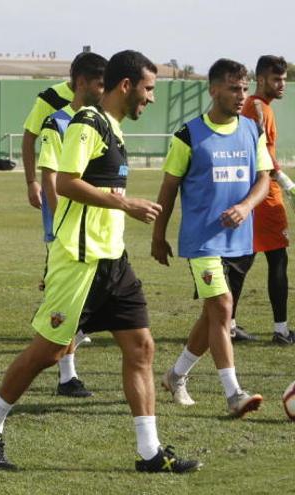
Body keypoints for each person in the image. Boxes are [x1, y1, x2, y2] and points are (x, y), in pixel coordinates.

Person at [0, 50, 200, 473]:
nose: (151, 98)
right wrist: (126, 205)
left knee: (141, 346)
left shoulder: (114, 128)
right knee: (48, 353)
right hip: (79, 261)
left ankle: (149, 452)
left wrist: (120, 212)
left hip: (112, 260)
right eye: (148, 89)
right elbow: (66, 182)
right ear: (126, 86)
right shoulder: (87, 122)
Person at [153, 58, 269, 416]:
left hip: (240, 240)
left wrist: (247, 207)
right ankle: (234, 393)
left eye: (244, 89)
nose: (241, 95)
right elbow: (168, 189)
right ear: (213, 88)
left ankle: (176, 376)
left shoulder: (252, 130)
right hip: (202, 240)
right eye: (234, 88)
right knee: (221, 307)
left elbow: (263, 179)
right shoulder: (187, 135)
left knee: (213, 315)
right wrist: (158, 236)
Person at [35, 52, 107, 397]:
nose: (105, 89)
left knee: (80, 305)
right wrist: (62, 225)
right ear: (81, 83)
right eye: (100, 82)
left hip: (98, 233)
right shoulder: (57, 123)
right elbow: (50, 177)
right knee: (66, 305)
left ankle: (66, 374)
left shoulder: (101, 121)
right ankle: (65, 376)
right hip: (70, 233)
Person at [222, 55, 293, 345]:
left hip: (251, 192)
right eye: (277, 79)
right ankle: (280, 330)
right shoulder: (258, 107)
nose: (282, 85)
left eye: (284, 80)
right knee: (276, 258)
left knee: (242, 260)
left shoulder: (255, 106)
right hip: (264, 195)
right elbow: (260, 149)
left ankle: (230, 325)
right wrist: (285, 180)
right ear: (261, 79)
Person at [22, 69, 74, 212]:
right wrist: (31, 182)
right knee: (57, 232)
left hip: (88, 186)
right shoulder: (51, 98)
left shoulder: (100, 99)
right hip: (55, 186)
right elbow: (29, 137)